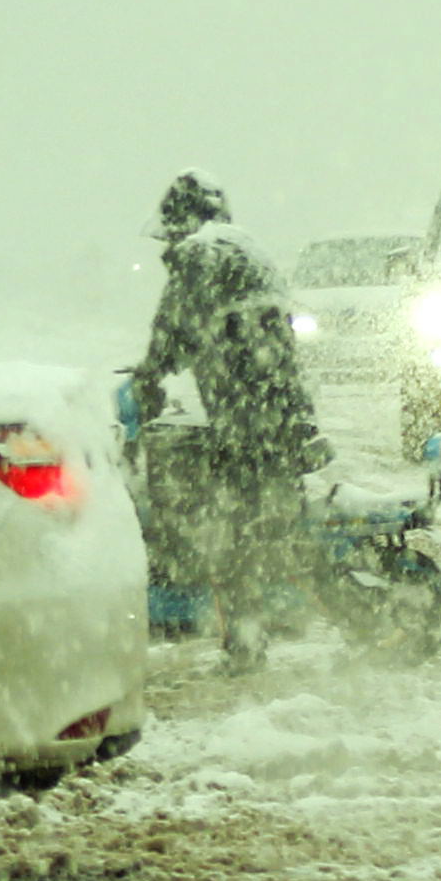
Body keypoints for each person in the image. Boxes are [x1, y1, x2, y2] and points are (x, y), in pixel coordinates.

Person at [134, 174, 329, 668]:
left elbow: (171, 329)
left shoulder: (202, 255)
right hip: (280, 411)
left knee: (230, 527)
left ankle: (245, 640)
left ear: (183, 222)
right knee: (269, 523)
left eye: (172, 230)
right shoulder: (247, 250)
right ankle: (272, 617)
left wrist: (149, 377)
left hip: (246, 419)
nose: (170, 242)